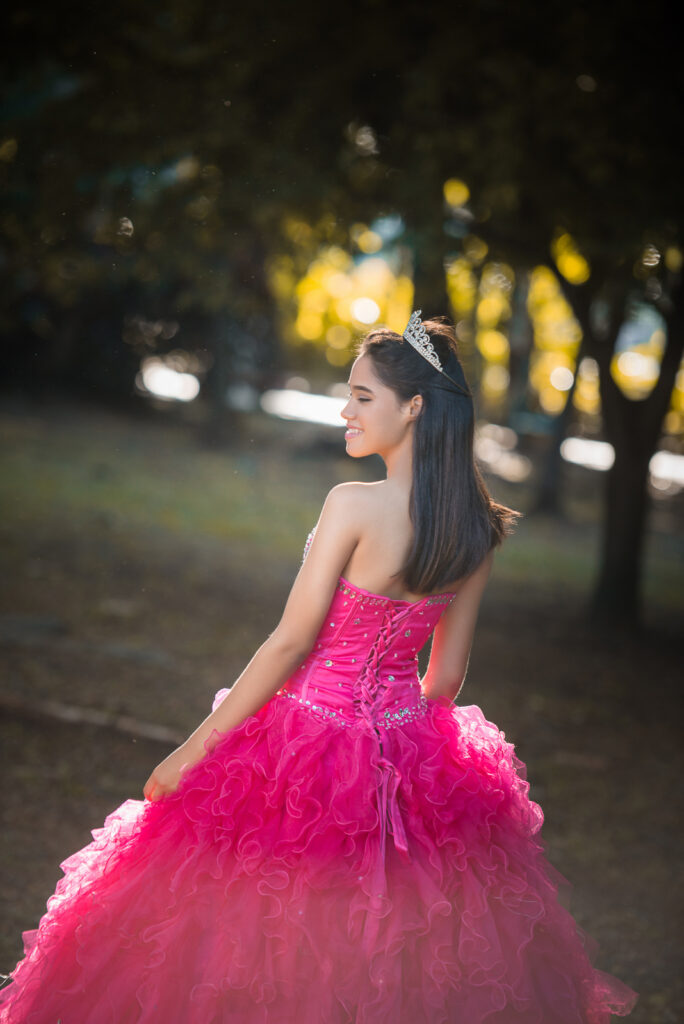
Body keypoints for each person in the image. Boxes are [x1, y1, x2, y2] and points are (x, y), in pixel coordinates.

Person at [0, 312, 638, 1022]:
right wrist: (405, 753)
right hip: (408, 738)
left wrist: (192, 750)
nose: (346, 410)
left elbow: (289, 643)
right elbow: (447, 677)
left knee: (251, 933)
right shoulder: (476, 528)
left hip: (304, 739)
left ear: (414, 406)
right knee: (394, 943)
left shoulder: (353, 505)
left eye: (363, 396)